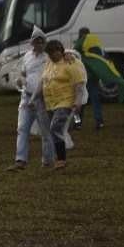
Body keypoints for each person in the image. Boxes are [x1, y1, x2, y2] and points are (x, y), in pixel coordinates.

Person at [8, 26, 55, 171]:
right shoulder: (27, 56)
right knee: (22, 128)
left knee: (46, 131)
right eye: (37, 41)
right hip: (26, 97)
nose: (39, 44)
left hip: (42, 99)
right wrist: (20, 79)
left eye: (41, 42)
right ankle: (20, 160)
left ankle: (47, 161)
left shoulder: (48, 58)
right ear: (32, 43)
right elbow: (22, 73)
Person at [41, 39, 84, 170]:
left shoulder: (71, 62)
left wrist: (78, 101)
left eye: (53, 53)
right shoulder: (49, 63)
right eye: (49, 54)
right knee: (55, 130)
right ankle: (57, 158)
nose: (51, 56)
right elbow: (43, 80)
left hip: (65, 101)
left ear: (60, 51)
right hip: (50, 103)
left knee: (55, 128)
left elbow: (79, 83)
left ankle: (61, 159)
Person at [73, 26, 112, 130]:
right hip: (92, 77)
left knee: (78, 101)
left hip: (80, 77)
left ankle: (77, 123)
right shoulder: (96, 46)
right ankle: (99, 122)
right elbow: (104, 58)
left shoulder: (77, 46)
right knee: (95, 100)